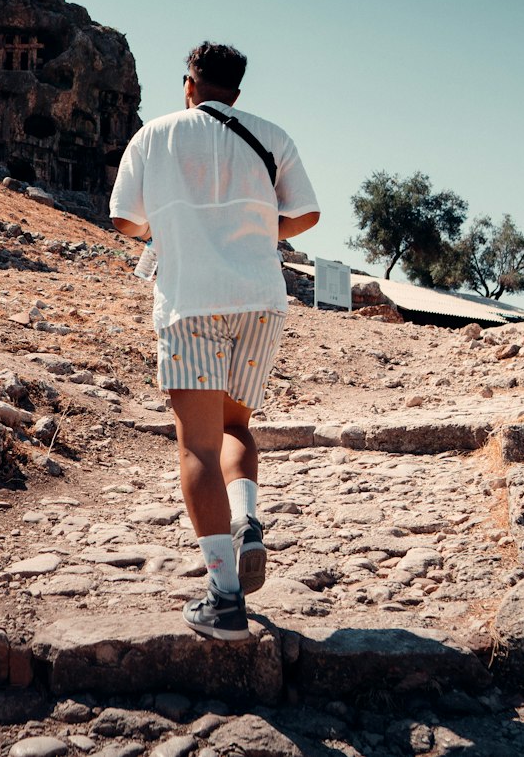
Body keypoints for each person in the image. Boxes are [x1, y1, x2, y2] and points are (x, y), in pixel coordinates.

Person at [109, 42, 319, 640]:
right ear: (236, 90)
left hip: (191, 302)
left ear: (189, 84)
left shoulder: (155, 135)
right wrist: (251, 227)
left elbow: (124, 218)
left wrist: (178, 227)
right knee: (234, 428)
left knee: (196, 446)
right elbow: (305, 213)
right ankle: (247, 519)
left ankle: (225, 598)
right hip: (259, 300)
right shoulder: (272, 134)